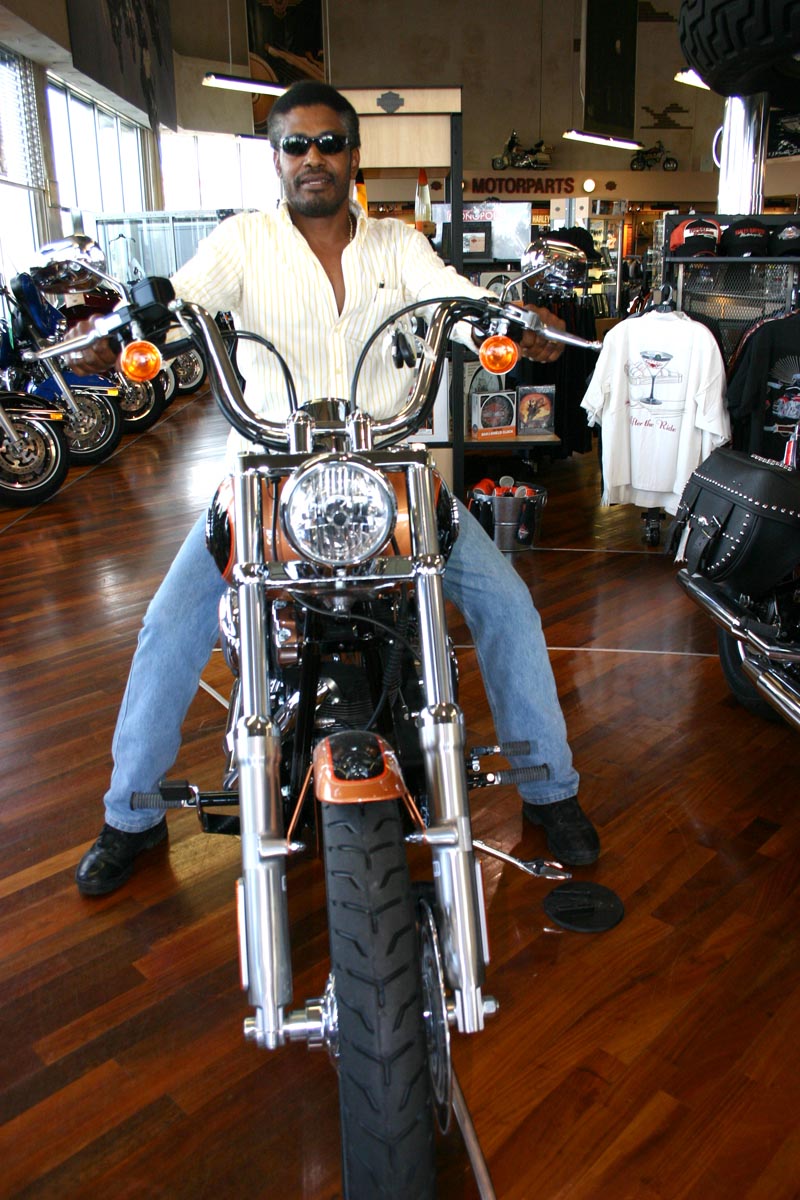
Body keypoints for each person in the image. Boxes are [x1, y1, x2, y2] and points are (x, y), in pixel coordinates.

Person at [70, 81, 599, 896]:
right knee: (168, 626)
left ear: (355, 156)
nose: (311, 157)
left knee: (507, 605)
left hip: (391, 475)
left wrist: (512, 323)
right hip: (264, 480)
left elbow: (457, 301)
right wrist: (121, 335)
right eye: (295, 144)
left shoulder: (397, 245)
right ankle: (128, 815)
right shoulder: (243, 242)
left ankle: (550, 788)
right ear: (276, 158)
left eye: (328, 143)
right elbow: (181, 306)